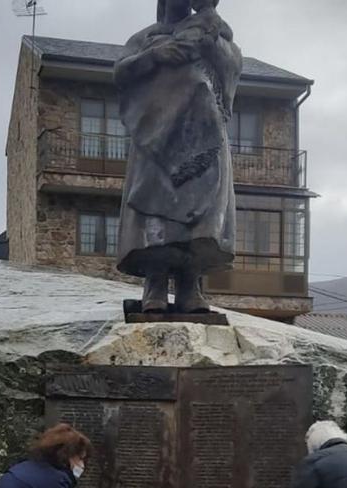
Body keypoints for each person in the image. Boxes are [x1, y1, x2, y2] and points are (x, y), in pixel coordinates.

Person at [113, 0, 242, 313]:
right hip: (155, 137)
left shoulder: (214, 30)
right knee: (155, 209)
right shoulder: (146, 36)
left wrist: (215, 40)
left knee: (200, 213)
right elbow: (120, 71)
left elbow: (231, 69)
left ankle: (189, 283)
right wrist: (155, 56)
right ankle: (154, 282)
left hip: (202, 133)